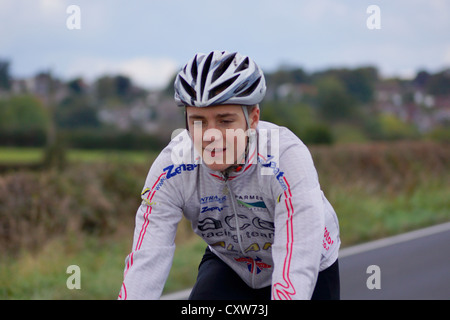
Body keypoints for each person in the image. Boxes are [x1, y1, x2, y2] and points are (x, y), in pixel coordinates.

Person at [118, 50, 340, 300]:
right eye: (198, 121)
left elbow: (296, 261)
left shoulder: (286, 159)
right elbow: (147, 260)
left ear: (253, 118)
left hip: (307, 260)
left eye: (225, 121)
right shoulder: (171, 168)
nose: (211, 135)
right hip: (231, 263)